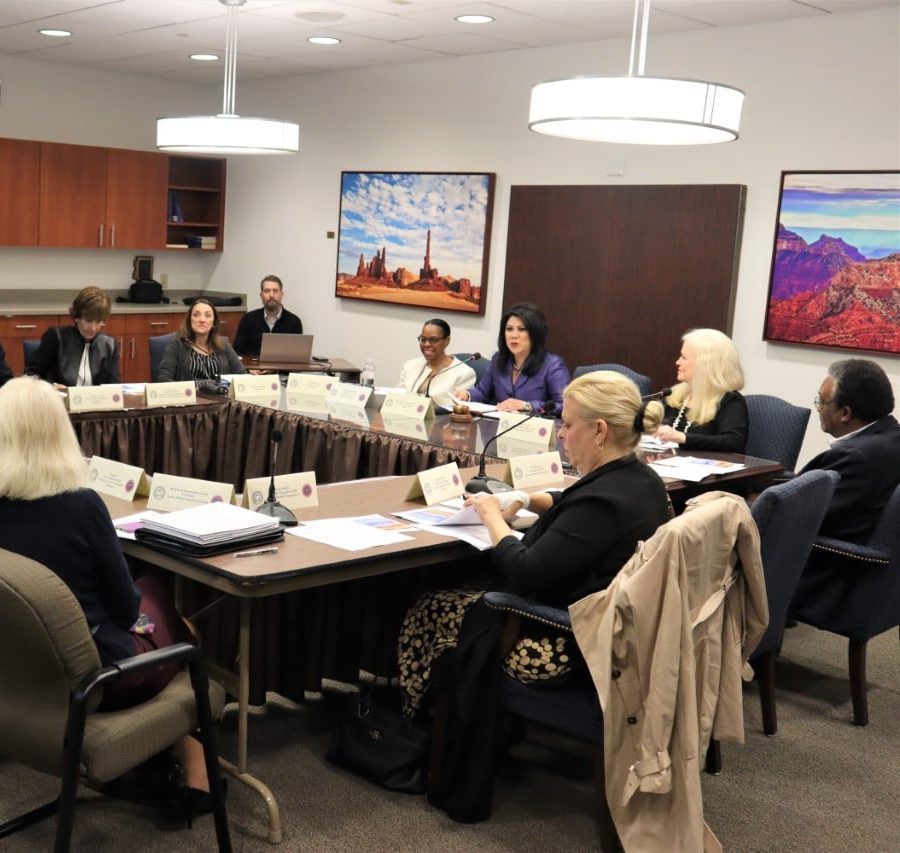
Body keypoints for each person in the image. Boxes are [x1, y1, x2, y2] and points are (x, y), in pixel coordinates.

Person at [398, 371, 671, 821]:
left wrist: (491, 516)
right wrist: (532, 498)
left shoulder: (605, 501)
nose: (561, 436)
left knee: (430, 607)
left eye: (567, 426)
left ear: (599, 431)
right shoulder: (639, 480)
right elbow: (579, 514)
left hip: (562, 642)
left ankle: (423, 733)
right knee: (459, 600)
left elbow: (525, 573)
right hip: (613, 631)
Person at [0, 376, 213, 812]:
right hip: (92, 681)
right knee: (161, 600)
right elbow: (125, 607)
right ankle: (192, 755)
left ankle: (173, 753)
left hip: (17, 673)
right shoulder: (82, 505)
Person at [797, 358, 900, 542]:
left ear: (845, 413)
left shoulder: (854, 457)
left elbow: (799, 515)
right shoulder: (892, 438)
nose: (818, 407)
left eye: (822, 400)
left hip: (824, 562)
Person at [452, 302, 569, 413]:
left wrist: (527, 405)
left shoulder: (552, 365)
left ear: (535, 332)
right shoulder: (499, 359)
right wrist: (467, 395)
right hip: (500, 427)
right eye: (509, 329)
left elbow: (566, 406)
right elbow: (483, 392)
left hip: (534, 430)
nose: (514, 335)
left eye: (522, 329)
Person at [655, 327, 748, 452]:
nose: (677, 362)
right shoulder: (677, 394)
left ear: (705, 365)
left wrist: (682, 438)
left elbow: (732, 442)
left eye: (684, 357)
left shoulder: (730, 401)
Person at [35, 286, 120, 388]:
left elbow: (114, 386)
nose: (93, 328)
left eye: (98, 322)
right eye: (88, 321)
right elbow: (31, 374)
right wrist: (51, 386)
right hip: (60, 401)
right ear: (76, 317)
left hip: (96, 402)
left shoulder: (109, 345)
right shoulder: (57, 337)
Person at [156, 297, 245, 382]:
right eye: (196, 315)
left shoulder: (223, 345)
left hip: (219, 396)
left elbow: (241, 375)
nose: (202, 320)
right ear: (189, 320)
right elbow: (164, 378)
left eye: (207, 315)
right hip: (189, 396)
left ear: (214, 322)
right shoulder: (177, 344)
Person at [397, 318, 476, 406]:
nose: (426, 344)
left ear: (447, 341)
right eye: (423, 339)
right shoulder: (410, 366)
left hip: (441, 418)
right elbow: (398, 396)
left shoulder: (464, 373)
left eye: (433, 340)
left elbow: (458, 407)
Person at [232, 274, 303, 358]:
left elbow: (296, 358)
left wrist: (275, 369)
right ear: (261, 295)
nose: (271, 295)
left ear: (282, 295)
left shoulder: (294, 322)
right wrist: (250, 368)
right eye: (267, 291)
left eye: (275, 291)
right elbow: (237, 353)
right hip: (252, 369)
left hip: (280, 370)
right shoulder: (248, 319)